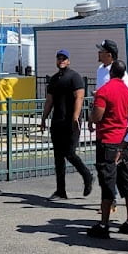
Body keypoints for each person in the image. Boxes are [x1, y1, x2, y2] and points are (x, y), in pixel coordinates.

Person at [87, 59, 128, 239]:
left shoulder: (104, 91)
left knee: (107, 182)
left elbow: (98, 115)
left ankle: (104, 224)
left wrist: (90, 118)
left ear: (110, 73)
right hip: (123, 141)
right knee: (126, 180)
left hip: (107, 140)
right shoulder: (127, 93)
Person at [40, 50, 93, 199]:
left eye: (64, 59)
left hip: (71, 122)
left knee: (70, 153)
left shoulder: (75, 77)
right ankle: (60, 190)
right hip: (57, 121)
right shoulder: (54, 79)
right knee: (58, 157)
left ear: (69, 61)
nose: (61, 61)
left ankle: (87, 176)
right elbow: (49, 100)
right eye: (59, 58)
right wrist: (44, 118)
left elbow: (79, 97)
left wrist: (75, 117)